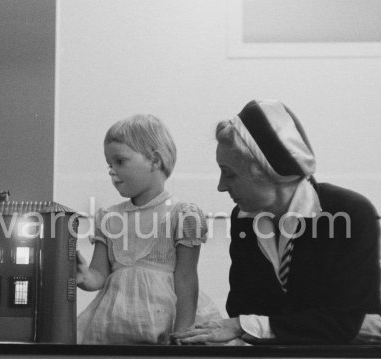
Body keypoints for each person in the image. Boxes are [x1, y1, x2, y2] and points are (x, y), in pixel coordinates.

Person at [171, 99, 380, 344]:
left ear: (263, 169)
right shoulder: (243, 219)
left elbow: (344, 322)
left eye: (229, 173)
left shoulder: (351, 213)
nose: (221, 186)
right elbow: (241, 307)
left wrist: (250, 325)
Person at [76, 114, 209, 344]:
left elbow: (186, 279)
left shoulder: (182, 214)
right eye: (109, 164)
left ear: (154, 160)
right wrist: (84, 276)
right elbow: (99, 275)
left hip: (164, 326)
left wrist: (183, 335)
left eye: (120, 161)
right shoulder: (109, 217)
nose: (111, 171)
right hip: (114, 327)